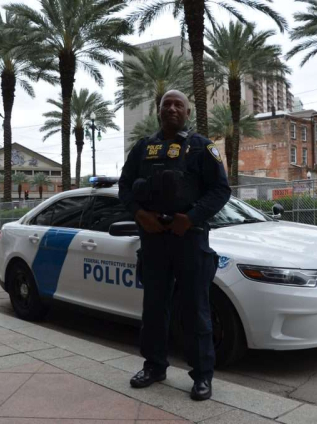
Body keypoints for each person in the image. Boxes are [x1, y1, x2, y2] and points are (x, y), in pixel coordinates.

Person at [118, 90, 231, 401]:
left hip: (189, 239)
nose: (171, 108)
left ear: (188, 111)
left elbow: (221, 190)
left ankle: (202, 376)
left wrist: (191, 218)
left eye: (177, 104)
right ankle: (154, 366)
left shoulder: (201, 147)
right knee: (154, 307)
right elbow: (124, 187)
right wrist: (141, 215)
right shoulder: (143, 148)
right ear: (158, 111)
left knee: (195, 308)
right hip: (153, 239)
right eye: (166, 104)